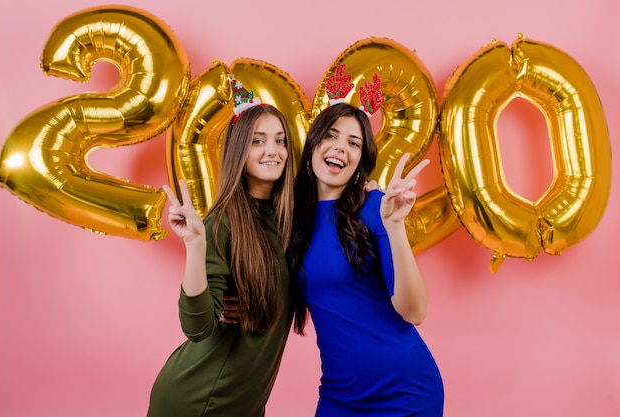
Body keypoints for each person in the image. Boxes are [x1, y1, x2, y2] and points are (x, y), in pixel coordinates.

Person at [288, 77, 444, 415]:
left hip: (405, 392)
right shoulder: (291, 219)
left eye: (354, 143)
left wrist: (395, 226)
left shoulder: (375, 206)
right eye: (331, 136)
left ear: (360, 160)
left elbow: (414, 311)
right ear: (313, 144)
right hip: (339, 395)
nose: (340, 148)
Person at [147, 101, 295, 417]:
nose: (273, 150)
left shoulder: (288, 219)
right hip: (199, 402)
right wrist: (196, 246)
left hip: (245, 404)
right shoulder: (223, 222)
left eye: (280, 140)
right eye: (258, 140)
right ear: (238, 149)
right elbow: (198, 327)